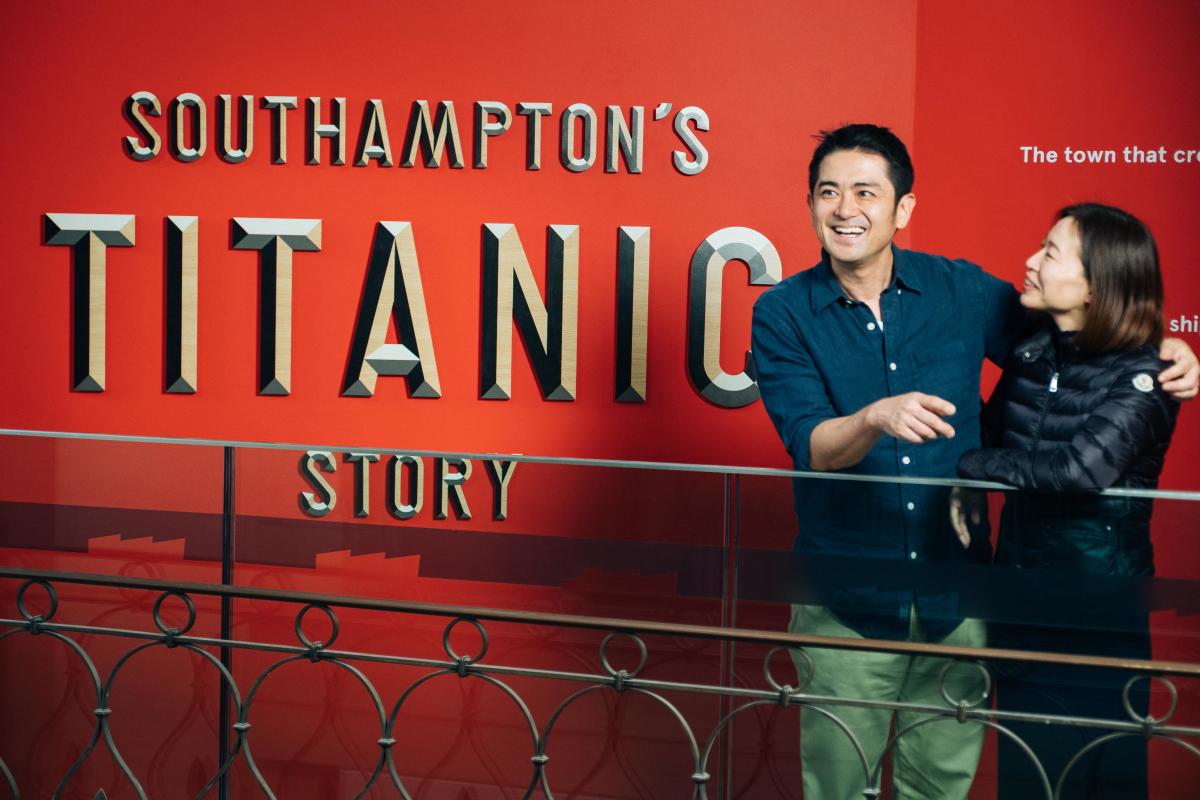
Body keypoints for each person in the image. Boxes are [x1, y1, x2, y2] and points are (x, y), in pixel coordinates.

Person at [749, 124, 1198, 800]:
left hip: (957, 602)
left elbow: (1080, 331)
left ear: (902, 210)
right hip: (844, 602)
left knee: (942, 790)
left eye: (866, 192)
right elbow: (810, 444)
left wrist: (1158, 350)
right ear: (810, 203)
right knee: (837, 789)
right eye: (829, 192)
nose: (846, 209)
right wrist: (875, 417)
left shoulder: (961, 289)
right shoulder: (782, 312)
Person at [957, 203, 1176, 799]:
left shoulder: (1144, 377)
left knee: (1102, 778)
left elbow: (1079, 470)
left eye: (1050, 252)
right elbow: (988, 431)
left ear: (1096, 284)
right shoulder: (1033, 354)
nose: (1029, 261)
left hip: (1096, 619)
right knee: (1030, 779)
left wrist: (971, 467)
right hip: (1023, 605)